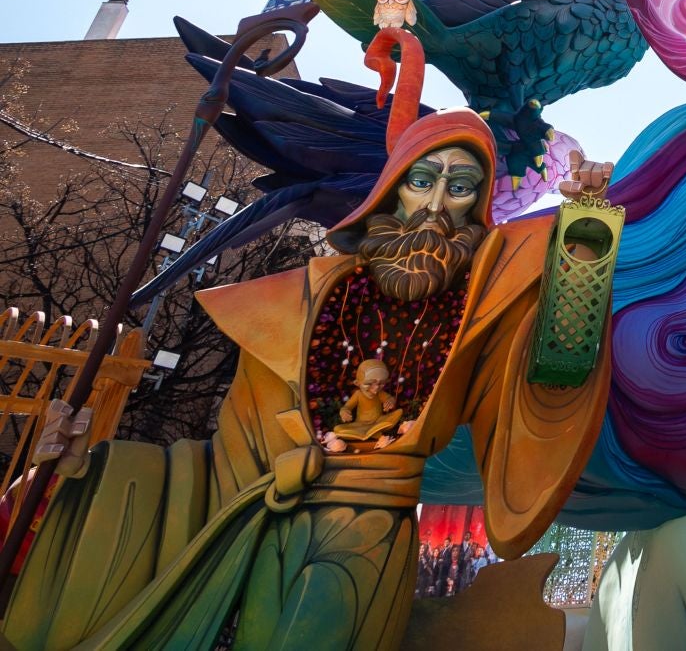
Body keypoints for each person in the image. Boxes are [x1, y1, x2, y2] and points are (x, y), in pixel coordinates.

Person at [4, 33, 614, 651]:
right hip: (243, 525)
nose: (434, 205)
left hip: (363, 537)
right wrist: (84, 468)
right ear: (394, 184)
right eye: (422, 180)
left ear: (481, 203)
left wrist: (585, 232)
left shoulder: (485, 294)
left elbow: (561, 365)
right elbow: (220, 463)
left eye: (460, 188)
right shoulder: (299, 295)